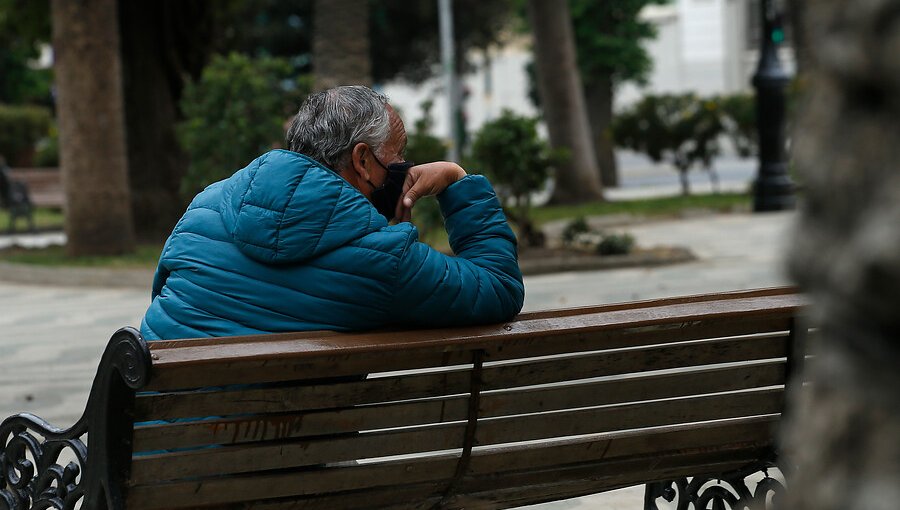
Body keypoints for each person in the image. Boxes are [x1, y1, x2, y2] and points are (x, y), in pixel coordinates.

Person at [140, 85, 524, 340]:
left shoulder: (204, 207)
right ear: (361, 159)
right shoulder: (385, 261)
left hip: (148, 446)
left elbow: (164, 300)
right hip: (284, 458)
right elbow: (499, 288)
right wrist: (458, 182)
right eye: (398, 155)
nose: (405, 166)